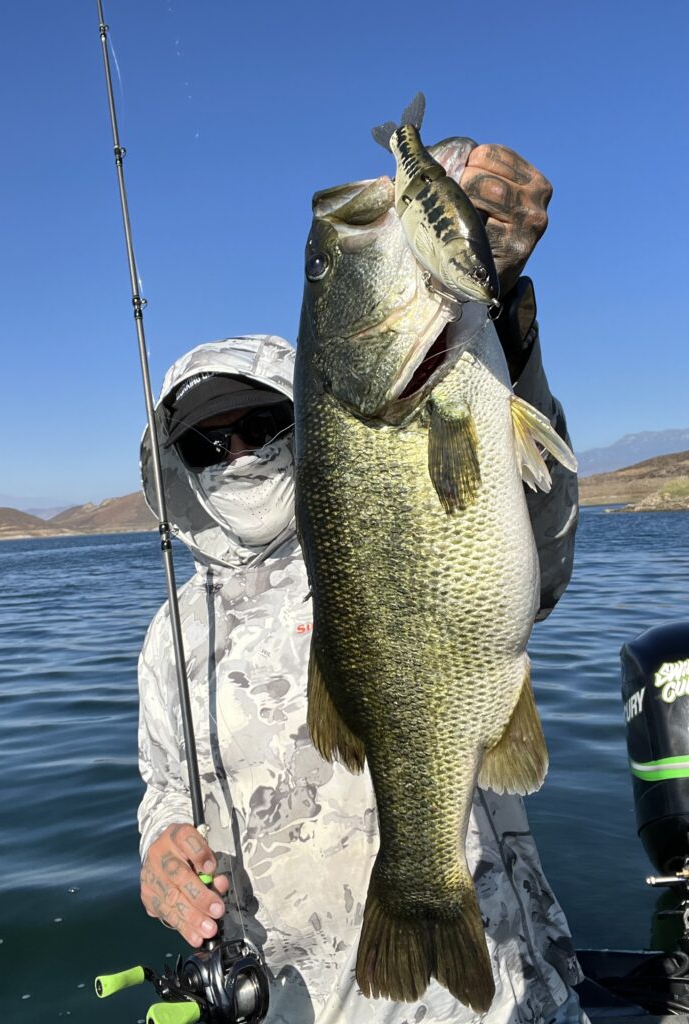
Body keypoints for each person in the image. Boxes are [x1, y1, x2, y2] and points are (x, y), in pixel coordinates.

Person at [136, 143, 582, 1023]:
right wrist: (158, 854)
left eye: (260, 421)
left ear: (305, 415)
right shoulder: (170, 636)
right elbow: (162, 789)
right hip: (304, 1000)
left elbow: (543, 538)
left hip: (499, 997)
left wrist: (502, 318)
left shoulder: (355, 511)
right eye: (205, 442)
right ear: (175, 467)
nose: (237, 453)